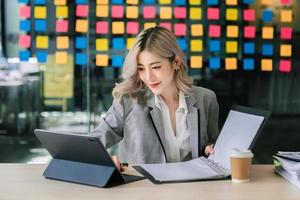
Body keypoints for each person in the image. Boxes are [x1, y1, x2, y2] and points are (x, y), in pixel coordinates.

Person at [89, 26, 219, 171]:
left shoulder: (206, 99)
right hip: (144, 190)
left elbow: (214, 146)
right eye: (141, 68)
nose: (149, 77)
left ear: (176, 62)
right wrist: (106, 161)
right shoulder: (128, 101)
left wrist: (211, 150)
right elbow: (92, 144)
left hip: (194, 189)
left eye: (156, 67)